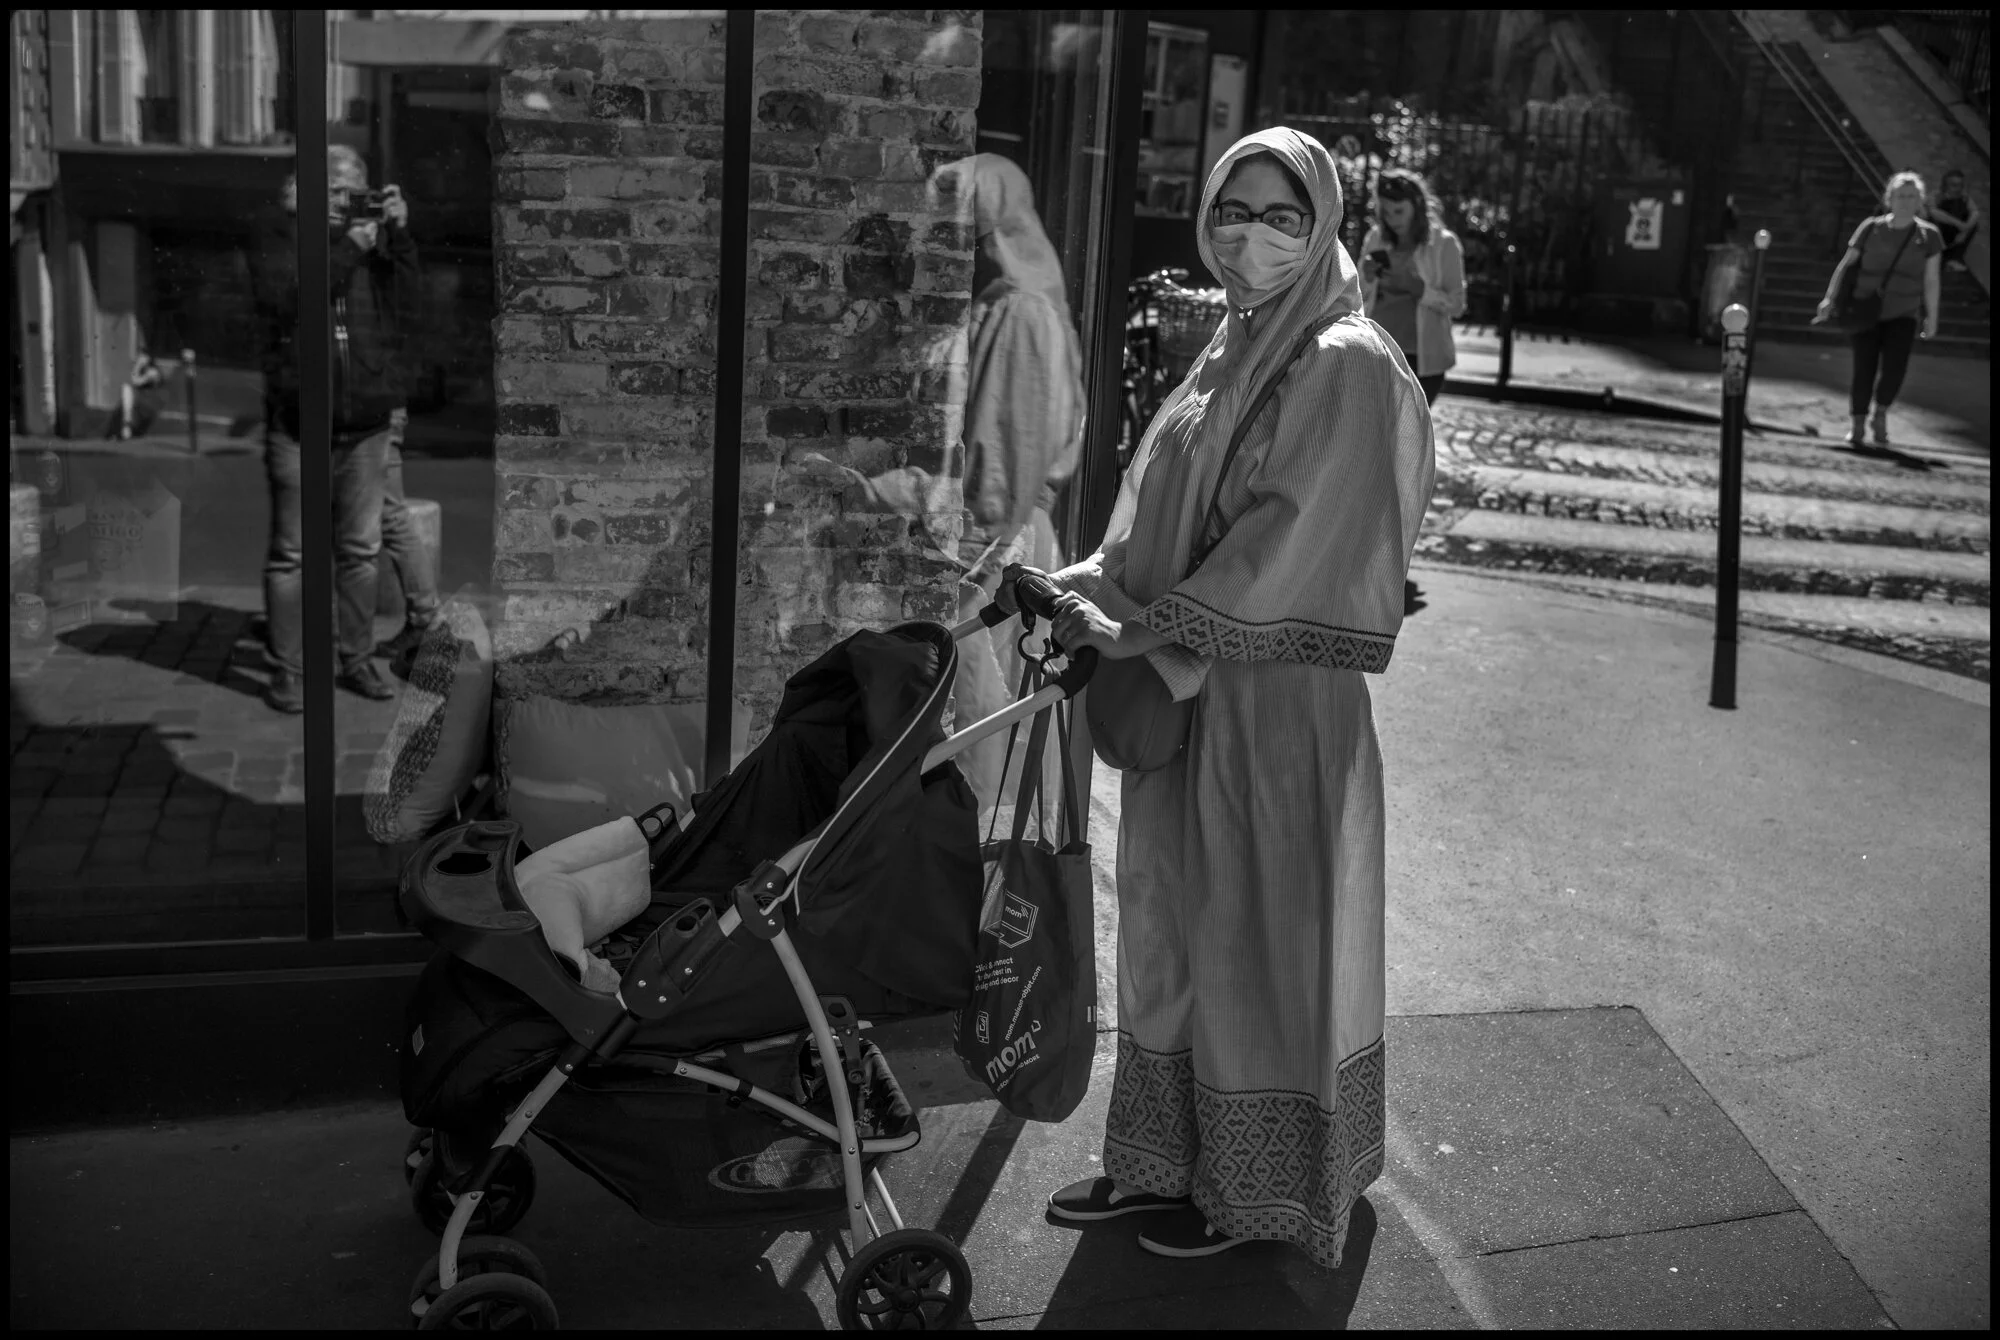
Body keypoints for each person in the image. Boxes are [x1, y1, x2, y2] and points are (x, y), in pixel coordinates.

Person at [1010, 128, 1434, 1264]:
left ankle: (1261, 1199)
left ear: (1323, 224)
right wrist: (1080, 587)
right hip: (1179, 693)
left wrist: (1143, 627)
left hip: (1274, 711)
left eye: (1281, 214)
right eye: (1233, 210)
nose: (1251, 235)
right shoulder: (1229, 345)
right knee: (1172, 930)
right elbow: (1158, 522)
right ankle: (1163, 1165)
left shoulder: (1341, 357)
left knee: (1258, 943)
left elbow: (1293, 541)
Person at [813, 153, 1086, 812]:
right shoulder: (1018, 301)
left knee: (989, 736)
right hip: (1001, 548)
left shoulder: (1018, 313)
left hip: (998, 556)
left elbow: (994, 482)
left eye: (952, 228)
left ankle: (985, 891)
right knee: (992, 730)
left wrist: (877, 496)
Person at [250, 146, 420, 712]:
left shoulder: (369, 239)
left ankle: (356, 659)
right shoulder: (278, 235)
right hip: (298, 423)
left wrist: (397, 236)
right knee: (292, 554)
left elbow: (406, 304)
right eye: (336, 191)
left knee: (359, 551)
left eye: (355, 191)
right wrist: (348, 247)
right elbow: (291, 300)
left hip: (365, 424)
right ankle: (289, 670)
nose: (345, 203)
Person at [1814, 170, 1943, 449]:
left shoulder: (1928, 236)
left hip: (1904, 312)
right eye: (1900, 196)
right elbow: (1847, 265)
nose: (1905, 201)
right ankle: (1858, 421)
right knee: (1864, 368)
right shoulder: (1870, 228)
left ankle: (1881, 412)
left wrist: (1932, 316)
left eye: (1911, 196)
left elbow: (1931, 279)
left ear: (1919, 200)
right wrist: (1829, 298)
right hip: (1865, 309)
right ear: (1889, 199)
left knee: (1895, 369)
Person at [1358, 167, 1465, 406]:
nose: (1392, 220)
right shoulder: (1376, 238)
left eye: (1399, 211)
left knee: (1409, 437)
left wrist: (1420, 290)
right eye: (1386, 212)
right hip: (1377, 351)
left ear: (1417, 206)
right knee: (1376, 434)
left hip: (1422, 360)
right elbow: (1356, 295)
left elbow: (1457, 304)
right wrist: (1365, 276)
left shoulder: (1444, 244)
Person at [375, 403, 442, 678]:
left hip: (368, 413)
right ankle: (426, 617)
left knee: (391, 518)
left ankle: (426, 618)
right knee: (390, 519)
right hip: (376, 408)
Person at [1927, 168, 1981, 272]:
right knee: (1932, 220)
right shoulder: (1937, 196)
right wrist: (1959, 224)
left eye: (1960, 185)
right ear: (1945, 185)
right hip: (1937, 233)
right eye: (1954, 185)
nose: (1958, 189)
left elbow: (1975, 212)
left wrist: (1965, 230)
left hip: (1953, 235)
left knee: (1973, 224)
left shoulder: (1964, 198)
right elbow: (1934, 212)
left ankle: (1952, 258)